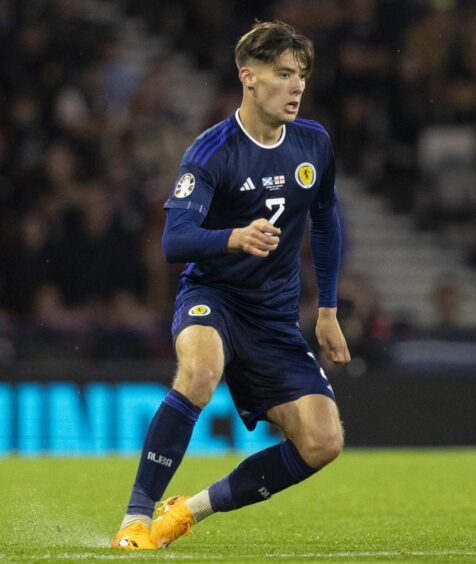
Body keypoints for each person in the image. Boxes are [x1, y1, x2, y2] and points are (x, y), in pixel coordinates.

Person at [111, 20, 351, 550]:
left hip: (272, 317)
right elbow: (174, 241)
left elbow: (326, 218)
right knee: (198, 374)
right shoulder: (211, 152)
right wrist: (234, 238)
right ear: (248, 76)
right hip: (214, 298)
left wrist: (328, 309)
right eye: (284, 74)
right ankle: (135, 516)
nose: (297, 87)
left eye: (301, 76)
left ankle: (187, 511)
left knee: (323, 441)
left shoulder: (313, 143)